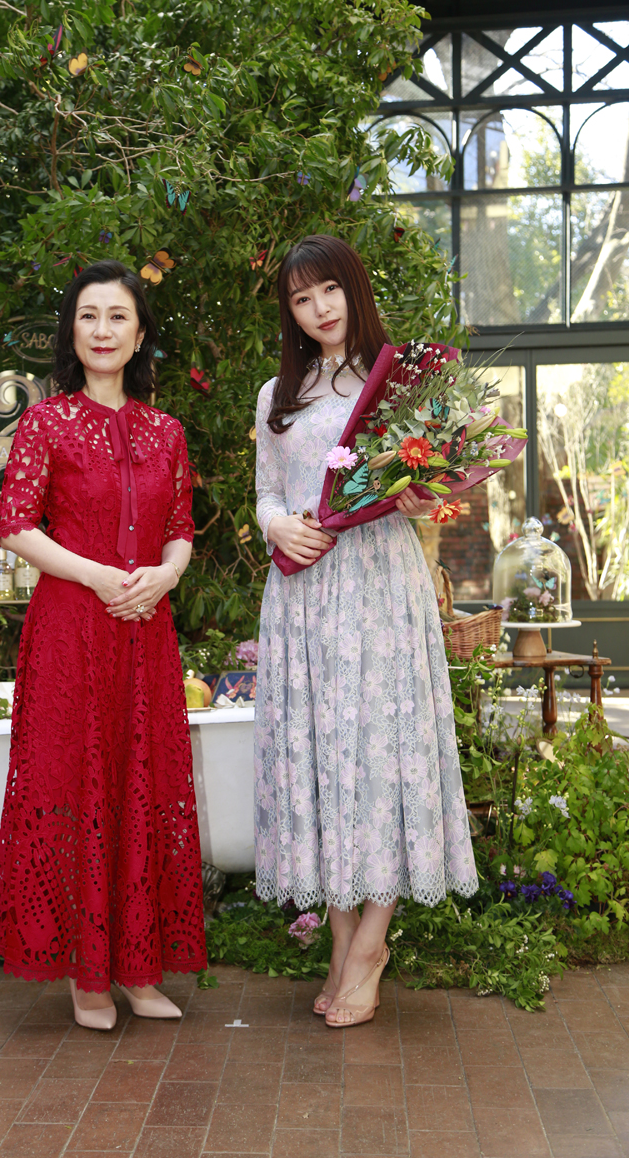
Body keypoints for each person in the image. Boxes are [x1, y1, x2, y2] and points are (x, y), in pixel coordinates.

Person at [254, 235, 478, 1028]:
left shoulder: (402, 389)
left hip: (380, 588)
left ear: (354, 290)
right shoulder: (277, 393)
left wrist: (422, 494)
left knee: (383, 753)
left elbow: (428, 489)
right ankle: (343, 941)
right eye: (301, 298)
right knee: (320, 756)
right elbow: (266, 493)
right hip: (305, 593)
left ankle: (372, 943)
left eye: (330, 290)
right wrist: (278, 526)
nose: (319, 309)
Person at [0, 260, 207, 1030]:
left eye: (118, 317)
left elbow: (180, 527)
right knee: (74, 785)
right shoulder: (45, 423)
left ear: (140, 335)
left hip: (145, 633)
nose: (103, 330)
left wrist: (165, 576)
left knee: (142, 785)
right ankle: (87, 978)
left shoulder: (166, 432)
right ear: (71, 333)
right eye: (89, 316)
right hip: (71, 633)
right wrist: (99, 575)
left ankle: (140, 970)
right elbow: (16, 525)